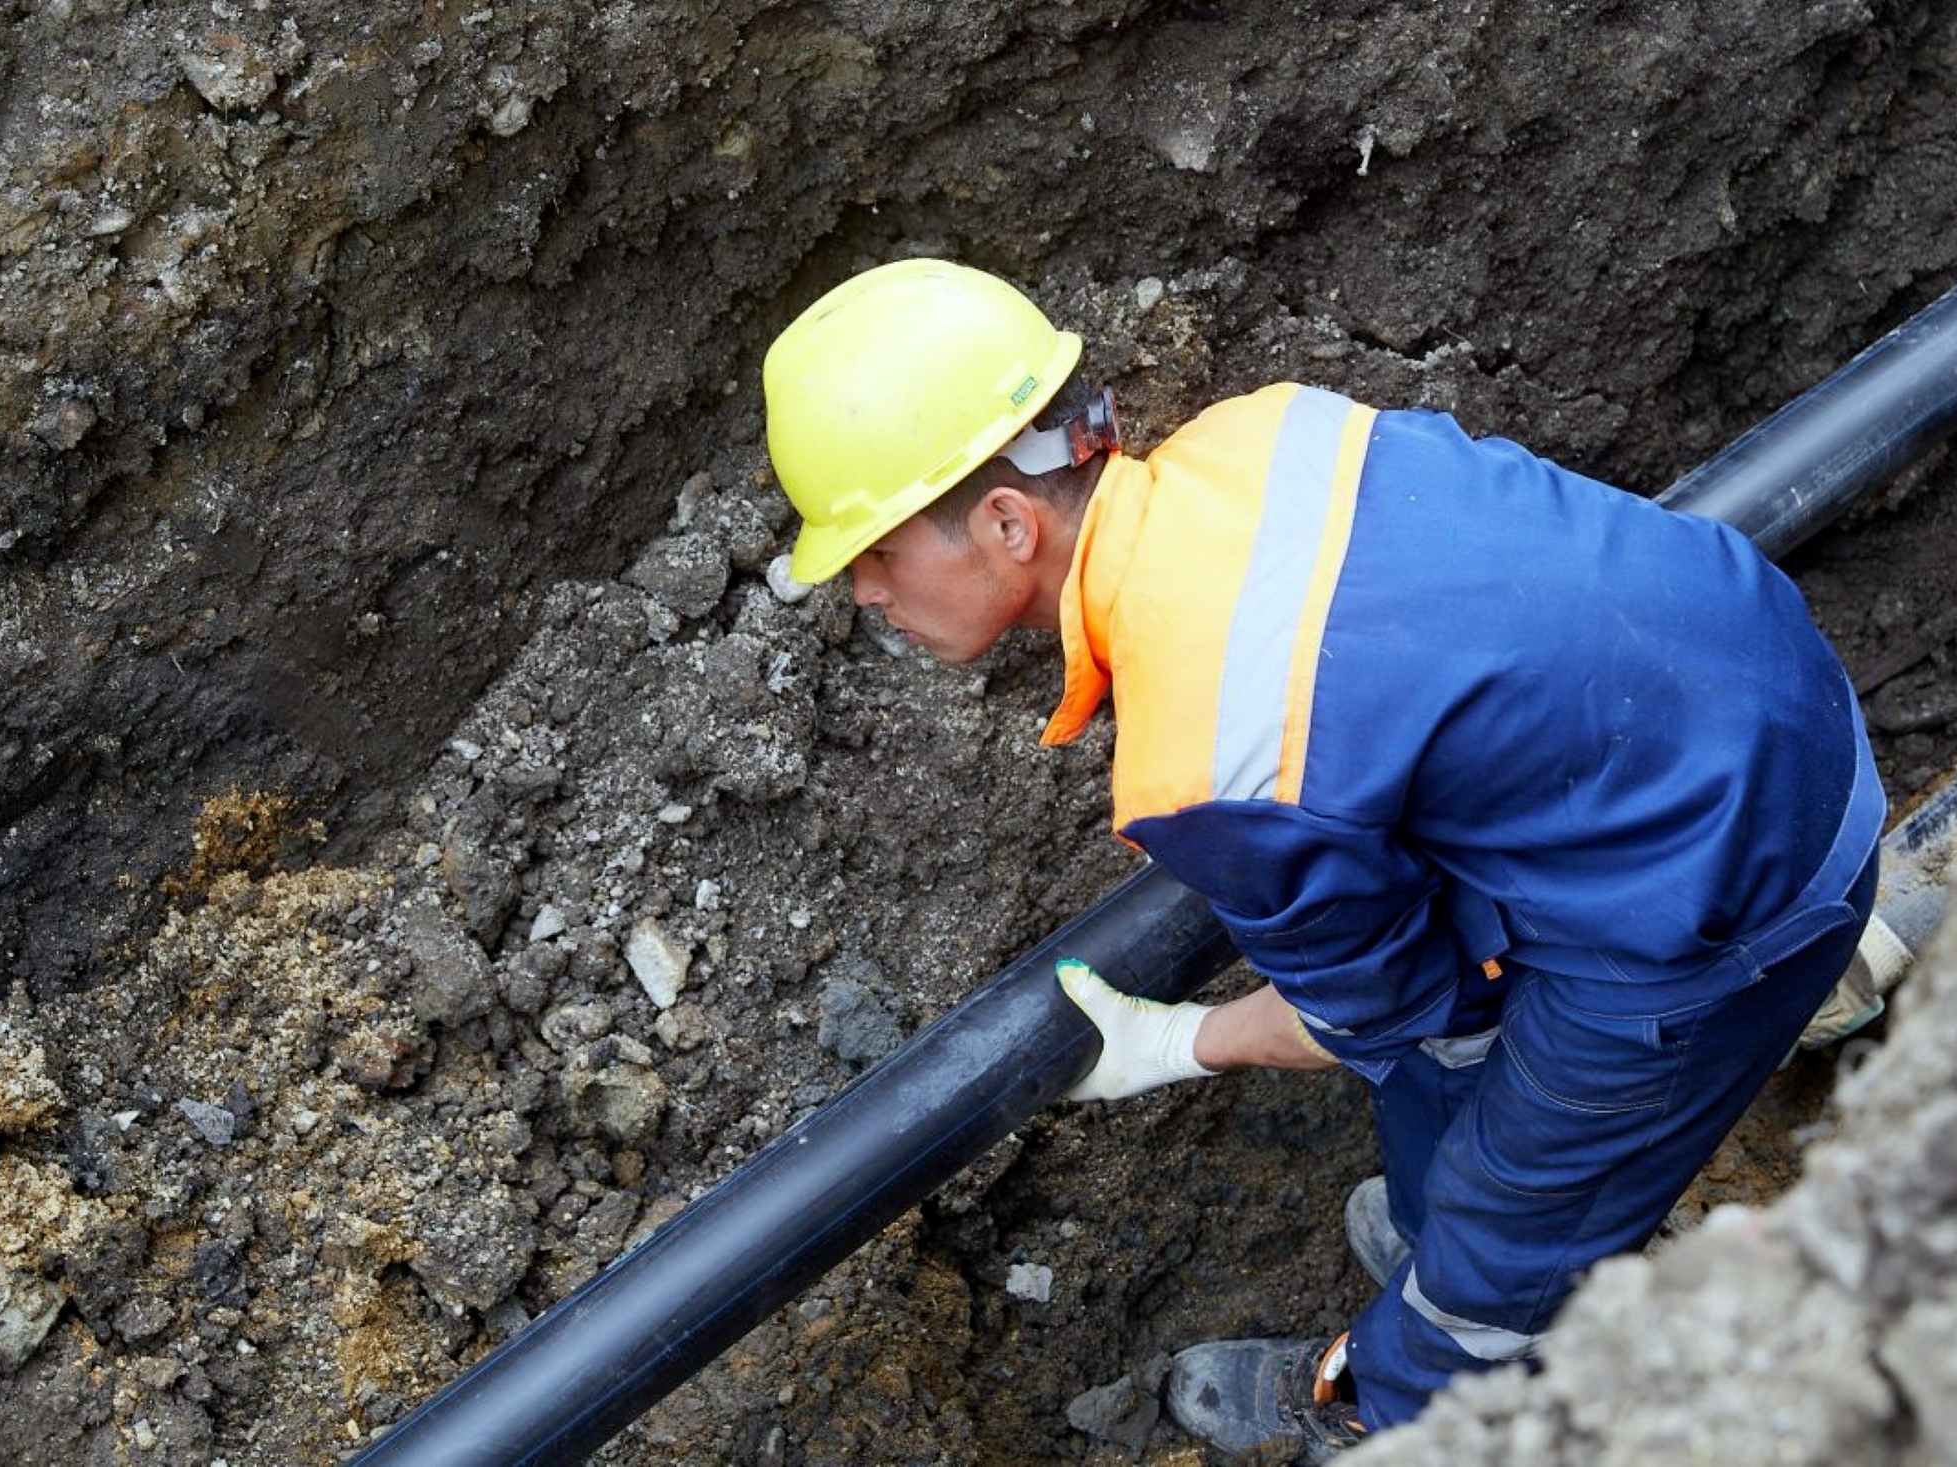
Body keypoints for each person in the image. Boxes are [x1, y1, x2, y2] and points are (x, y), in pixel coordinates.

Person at [761, 258, 1886, 1459]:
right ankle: (1449, 1230)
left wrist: (1175, 1045)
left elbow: (1394, 1015)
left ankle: (1405, 1398)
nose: (866, 591)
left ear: (1004, 522)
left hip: (1731, 897)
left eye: (876, 551)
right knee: (1456, 1094)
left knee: (1497, 1250)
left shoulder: (1208, 759)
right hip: (1760, 699)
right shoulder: (1260, 433)